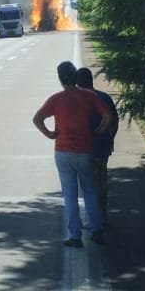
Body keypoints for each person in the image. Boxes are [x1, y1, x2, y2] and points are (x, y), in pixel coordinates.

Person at [32, 60, 113, 247]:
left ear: (60, 79)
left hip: (63, 151)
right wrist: (99, 131)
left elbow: (37, 119)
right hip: (85, 150)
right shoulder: (88, 96)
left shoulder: (56, 99)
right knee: (90, 192)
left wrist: (49, 134)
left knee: (69, 195)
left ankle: (75, 236)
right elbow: (107, 116)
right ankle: (96, 230)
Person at [75, 66, 119, 227]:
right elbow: (114, 121)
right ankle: (103, 217)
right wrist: (110, 137)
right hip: (102, 148)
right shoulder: (104, 97)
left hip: (83, 149)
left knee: (87, 185)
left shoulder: (78, 99)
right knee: (101, 182)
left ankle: (92, 219)